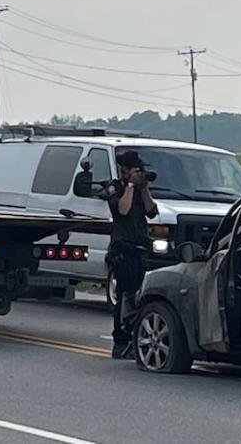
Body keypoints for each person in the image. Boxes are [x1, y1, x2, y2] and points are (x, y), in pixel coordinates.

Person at [106, 149, 158, 358]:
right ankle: (120, 340)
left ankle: (135, 334)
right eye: (134, 170)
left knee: (140, 296)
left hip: (141, 247)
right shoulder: (115, 187)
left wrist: (144, 188)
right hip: (123, 248)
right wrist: (129, 186)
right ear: (124, 170)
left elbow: (152, 211)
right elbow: (122, 210)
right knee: (124, 296)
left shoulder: (140, 189)